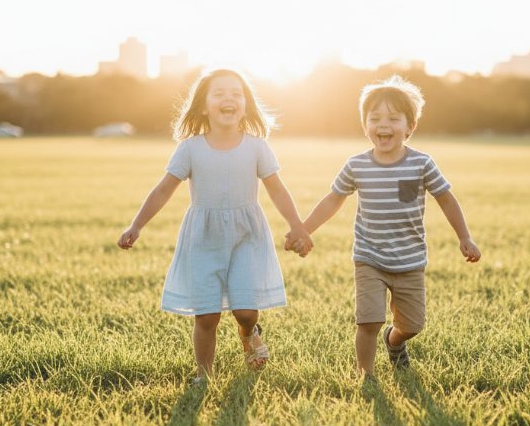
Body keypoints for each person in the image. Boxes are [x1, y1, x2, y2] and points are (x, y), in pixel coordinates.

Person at [118, 69, 312, 382]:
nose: (229, 99)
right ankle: (203, 375)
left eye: (236, 94)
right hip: (203, 238)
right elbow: (164, 189)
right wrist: (136, 226)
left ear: (245, 105)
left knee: (245, 310)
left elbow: (277, 188)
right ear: (204, 106)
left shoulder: (256, 147)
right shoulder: (190, 149)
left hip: (247, 235)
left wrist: (297, 226)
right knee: (206, 315)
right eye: (219, 94)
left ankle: (249, 332)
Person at [287, 76, 480, 376]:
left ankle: (395, 340)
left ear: (410, 127)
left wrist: (464, 237)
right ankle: (368, 377)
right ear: (365, 126)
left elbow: (446, 199)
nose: (383, 124)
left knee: (413, 325)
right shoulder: (356, 165)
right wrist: (303, 229)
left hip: (409, 260)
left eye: (393, 118)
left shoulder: (421, 164)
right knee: (368, 321)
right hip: (369, 258)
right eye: (374, 118)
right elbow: (332, 200)